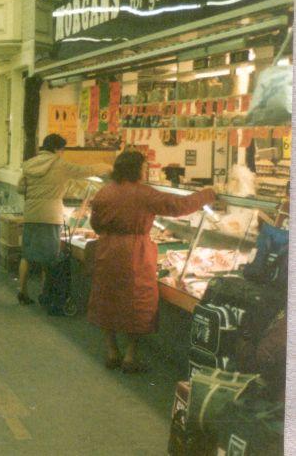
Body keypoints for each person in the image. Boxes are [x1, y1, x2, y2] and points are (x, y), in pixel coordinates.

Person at [87, 150, 216, 373]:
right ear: (137, 169)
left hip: (107, 250)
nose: (146, 171)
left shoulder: (104, 193)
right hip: (135, 254)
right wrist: (207, 195)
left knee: (106, 299)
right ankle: (130, 356)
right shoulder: (144, 193)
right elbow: (179, 206)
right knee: (137, 302)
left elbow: (96, 225)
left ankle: (111, 351)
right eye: (144, 167)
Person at [16, 133, 111, 315]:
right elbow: (84, 171)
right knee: (50, 258)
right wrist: (106, 167)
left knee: (27, 255)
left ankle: (22, 291)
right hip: (50, 216)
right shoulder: (60, 164)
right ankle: (47, 294)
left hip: (31, 213)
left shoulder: (29, 164)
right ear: (58, 149)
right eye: (62, 150)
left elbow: (20, 188)